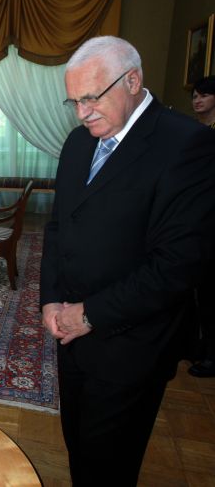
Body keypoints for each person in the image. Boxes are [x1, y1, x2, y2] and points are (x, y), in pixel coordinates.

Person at [40, 36, 215, 485]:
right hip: (71, 336)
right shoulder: (77, 143)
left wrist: (89, 314)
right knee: (78, 448)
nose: (82, 113)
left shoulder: (187, 144)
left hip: (131, 344)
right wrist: (51, 300)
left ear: (132, 81)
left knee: (109, 467)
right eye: (75, 102)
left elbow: (178, 264)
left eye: (92, 98)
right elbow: (58, 228)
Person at [188, 75, 215, 378]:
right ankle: (197, 345)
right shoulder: (195, 131)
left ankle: (212, 355)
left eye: (204, 95)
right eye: (195, 95)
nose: (198, 100)